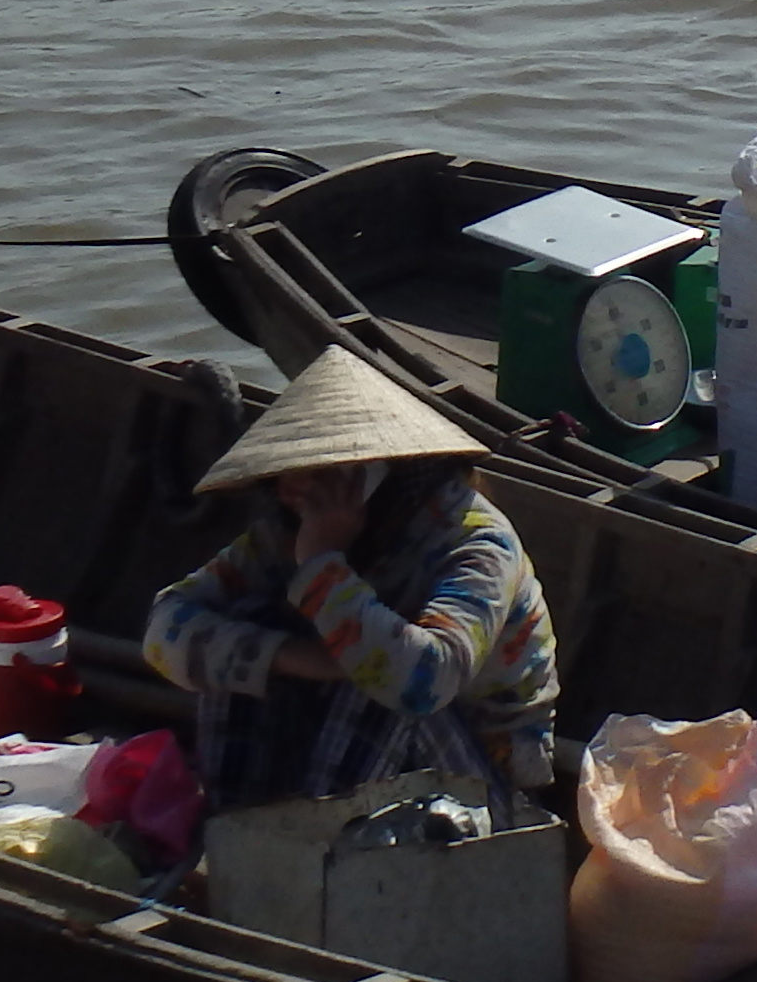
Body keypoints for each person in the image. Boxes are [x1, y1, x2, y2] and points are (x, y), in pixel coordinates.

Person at [145, 347, 558, 817]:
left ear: (371, 473)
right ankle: (238, 834)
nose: (290, 492)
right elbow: (166, 626)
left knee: (383, 675)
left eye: (315, 474)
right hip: (341, 750)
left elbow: (426, 680)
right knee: (243, 624)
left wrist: (322, 564)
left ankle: (315, 846)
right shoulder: (285, 531)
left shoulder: (477, 546)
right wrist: (296, 658)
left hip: (480, 788)